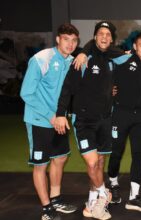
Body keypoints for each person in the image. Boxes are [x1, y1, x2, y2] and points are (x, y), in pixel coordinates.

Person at [54, 21, 117, 220]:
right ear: (95, 37)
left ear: (112, 39)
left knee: (99, 164)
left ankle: (92, 202)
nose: (104, 37)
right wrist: (60, 113)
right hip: (84, 121)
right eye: (100, 34)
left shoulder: (115, 59)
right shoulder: (81, 59)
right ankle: (104, 192)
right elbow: (66, 89)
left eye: (108, 34)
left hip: (105, 120)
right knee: (91, 163)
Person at [20, 23, 79, 220]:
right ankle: (46, 209)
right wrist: (51, 116)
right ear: (58, 39)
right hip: (40, 120)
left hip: (60, 121)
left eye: (74, 41)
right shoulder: (41, 59)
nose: (70, 44)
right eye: (66, 39)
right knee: (41, 165)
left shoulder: (72, 61)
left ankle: (56, 199)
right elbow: (26, 93)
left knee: (60, 158)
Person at [106, 32, 141, 212]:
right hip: (121, 114)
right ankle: (113, 181)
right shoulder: (122, 60)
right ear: (134, 46)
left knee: (138, 154)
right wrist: (109, 88)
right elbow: (102, 53)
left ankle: (134, 197)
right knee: (117, 151)